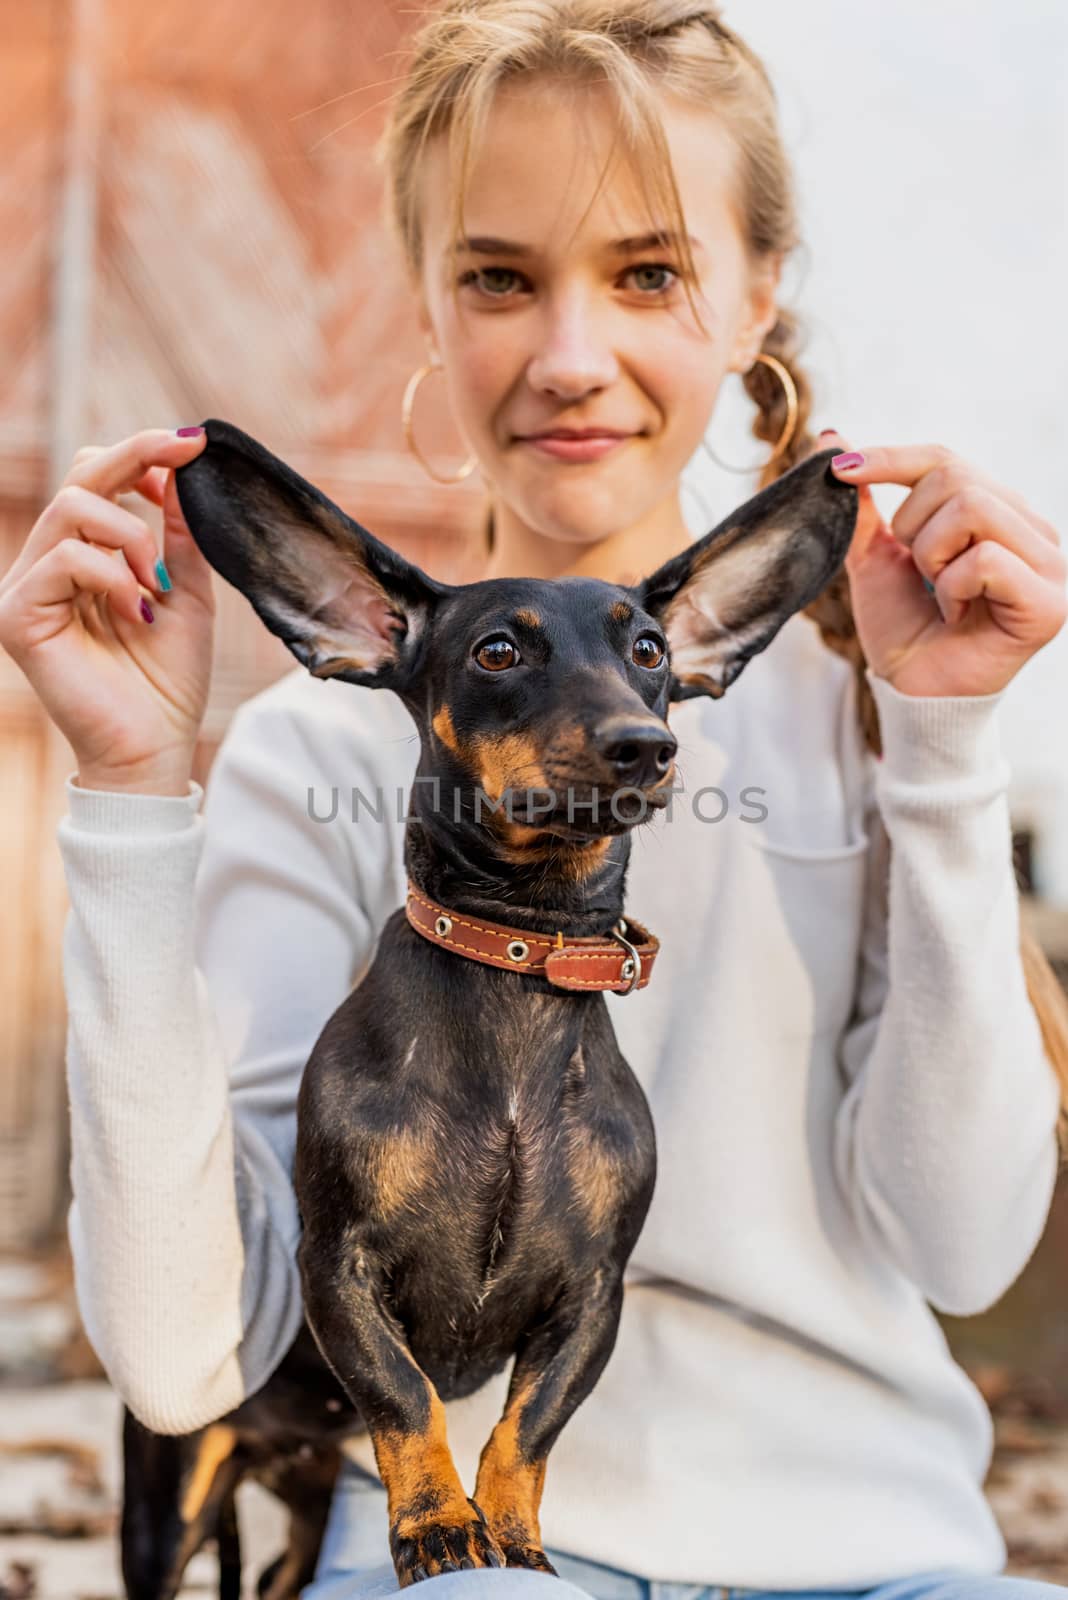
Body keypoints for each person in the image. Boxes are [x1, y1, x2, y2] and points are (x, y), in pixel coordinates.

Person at [2, 3, 1068, 1599]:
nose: (572, 358)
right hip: (476, 1561)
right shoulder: (324, 753)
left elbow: (963, 1243)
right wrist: (136, 793)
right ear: (424, 304)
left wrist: (947, 743)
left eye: (648, 273)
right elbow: (183, 1358)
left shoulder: (868, 706)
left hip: (891, 1557)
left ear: (758, 293)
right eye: (500, 276)